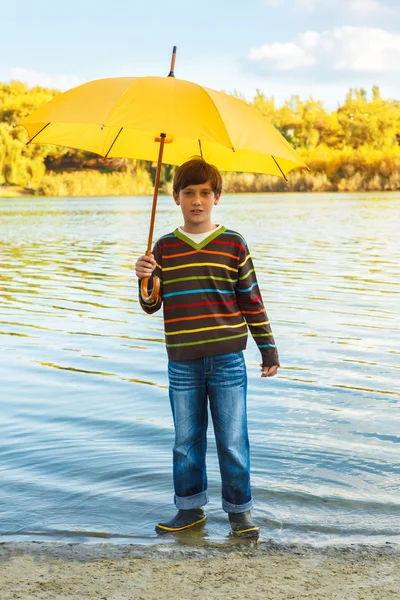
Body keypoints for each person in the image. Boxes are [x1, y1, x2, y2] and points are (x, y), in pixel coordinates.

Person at [135, 158, 279, 538]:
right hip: (182, 362)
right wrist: (145, 279)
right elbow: (152, 306)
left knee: (233, 440)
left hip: (228, 360)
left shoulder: (233, 244)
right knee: (186, 441)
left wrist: (268, 349)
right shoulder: (164, 248)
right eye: (188, 193)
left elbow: (251, 299)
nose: (196, 201)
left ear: (216, 197)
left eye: (204, 193)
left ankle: (239, 513)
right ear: (175, 197)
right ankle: (189, 510)